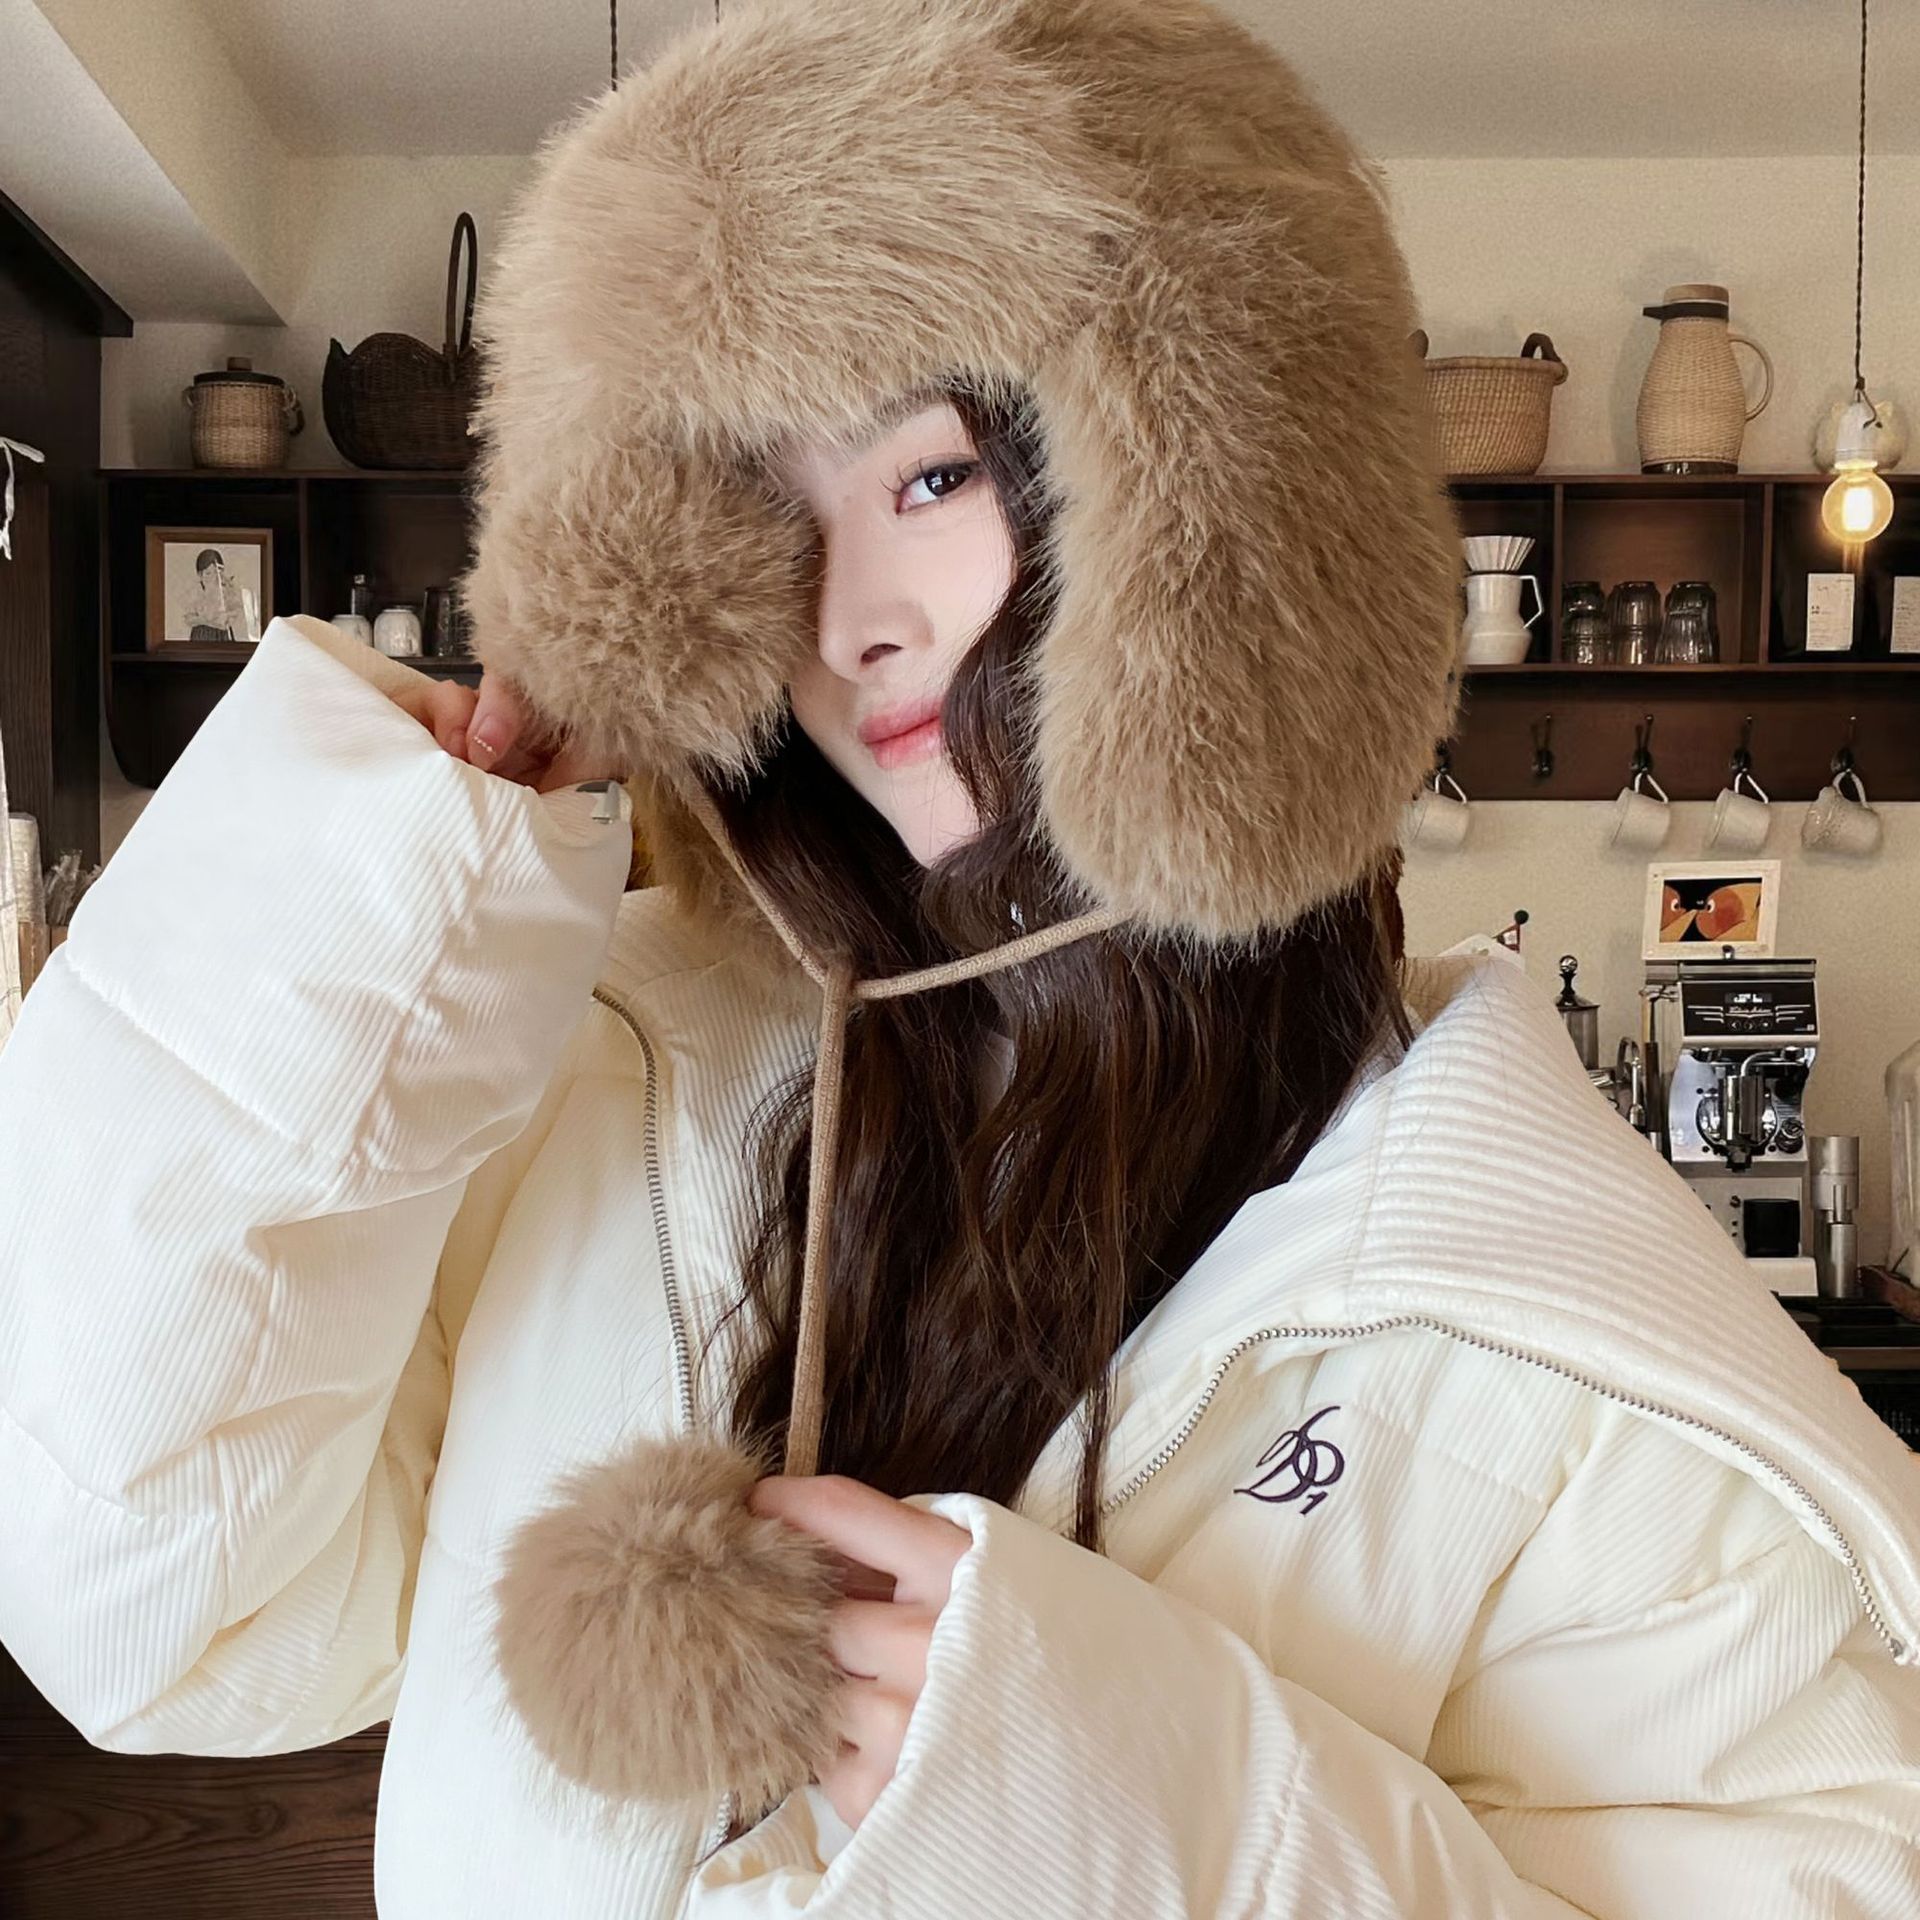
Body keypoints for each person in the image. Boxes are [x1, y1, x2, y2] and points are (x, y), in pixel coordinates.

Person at [1, 2, 1916, 1915]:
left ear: (1213, 496)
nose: (852, 625)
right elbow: (156, 1616)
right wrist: (372, 881)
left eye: (929, 479)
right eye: (769, 512)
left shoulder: (1533, 1321)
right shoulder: (613, 1072)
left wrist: (1169, 1827)